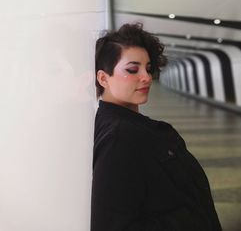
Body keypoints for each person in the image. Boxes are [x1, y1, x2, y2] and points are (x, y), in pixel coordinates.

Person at [91, 23, 222, 231]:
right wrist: (188, 219)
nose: (147, 77)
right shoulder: (118, 138)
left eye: (148, 68)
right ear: (103, 78)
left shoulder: (130, 128)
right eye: (132, 69)